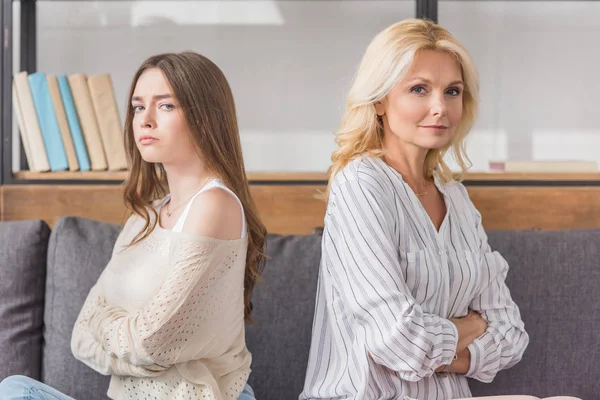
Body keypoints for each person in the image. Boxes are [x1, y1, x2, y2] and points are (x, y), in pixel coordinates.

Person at [0, 51, 266, 400]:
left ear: (205, 117)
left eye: (166, 105)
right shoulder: (146, 216)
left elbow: (150, 343)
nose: (145, 120)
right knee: (14, 389)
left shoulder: (214, 205)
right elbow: (81, 336)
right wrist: (140, 347)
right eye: (138, 107)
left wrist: (112, 327)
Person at [300, 19, 529, 400]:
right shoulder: (360, 184)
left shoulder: (456, 198)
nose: (440, 107)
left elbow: (511, 335)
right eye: (419, 89)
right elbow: (396, 340)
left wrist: (438, 352)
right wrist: (469, 327)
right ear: (378, 100)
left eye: (452, 91)